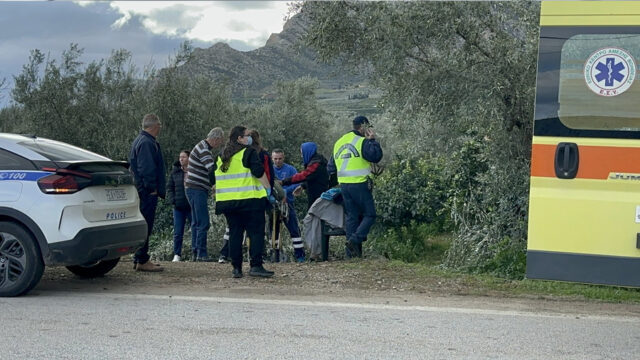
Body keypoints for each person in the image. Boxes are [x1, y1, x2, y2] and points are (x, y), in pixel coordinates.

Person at [214, 125, 276, 278]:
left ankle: (236, 268)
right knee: (255, 233)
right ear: (239, 138)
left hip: (228, 203)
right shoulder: (248, 153)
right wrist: (268, 190)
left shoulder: (222, 156)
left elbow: (212, 177)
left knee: (235, 233)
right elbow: (258, 172)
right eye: (247, 135)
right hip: (250, 201)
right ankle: (256, 265)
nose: (250, 137)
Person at [327, 115, 383, 258]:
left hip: (344, 185)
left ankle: (351, 255)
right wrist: (372, 140)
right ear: (363, 127)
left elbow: (331, 167)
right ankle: (354, 240)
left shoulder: (339, 142)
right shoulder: (362, 141)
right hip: (360, 184)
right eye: (368, 127)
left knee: (352, 217)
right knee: (370, 214)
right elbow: (376, 156)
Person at [129, 113, 166, 272]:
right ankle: (142, 259)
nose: (160, 129)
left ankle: (139, 258)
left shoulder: (140, 140)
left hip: (141, 191)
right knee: (146, 225)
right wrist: (152, 189)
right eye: (159, 126)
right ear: (155, 126)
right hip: (146, 193)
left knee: (143, 224)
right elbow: (147, 169)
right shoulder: (147, 143)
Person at [185, 127, 225, 262]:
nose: (219, 145)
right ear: (215, 139)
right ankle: (201, 253)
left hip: (193, 188)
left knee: (196, 222)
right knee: (203, 222)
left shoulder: (201, 147)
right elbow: (212, 170)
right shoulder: (204, 149)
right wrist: (217, 184)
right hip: (197, 189)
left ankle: (195, 252)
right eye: (220, 142)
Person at [271, 149, 305, 262]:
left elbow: (298, 182)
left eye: (280, 158)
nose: (278, 161)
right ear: (272, 158)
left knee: (294, 229)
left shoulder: (290, 169)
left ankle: (300, 256)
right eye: (275, 159)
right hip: (273, 204)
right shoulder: (270, 170)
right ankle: (275, 255)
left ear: (283, 158)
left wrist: (285, 191)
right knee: (273, 230)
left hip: (288, 203)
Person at [281, 142, 329, 210]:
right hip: (316, 196)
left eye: (302, 153)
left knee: (313, 217)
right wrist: (303, 186)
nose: (301, 156)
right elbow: (312, 177)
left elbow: (304, 175)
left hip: (318, 197)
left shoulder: (316, 164)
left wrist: (284, 182)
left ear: (308, 152)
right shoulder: (317, 161)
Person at [166, 150, 193, 262]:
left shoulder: (194, 171)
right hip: (178, 207)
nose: (181, 159)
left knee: (195, 230)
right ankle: (177, 254)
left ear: (189, 158)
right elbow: (169, 188)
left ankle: (195, 253)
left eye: (184, 157)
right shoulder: (175, 172)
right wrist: (173, 200)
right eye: (180, 157)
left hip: (191, 207)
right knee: (178, 232)